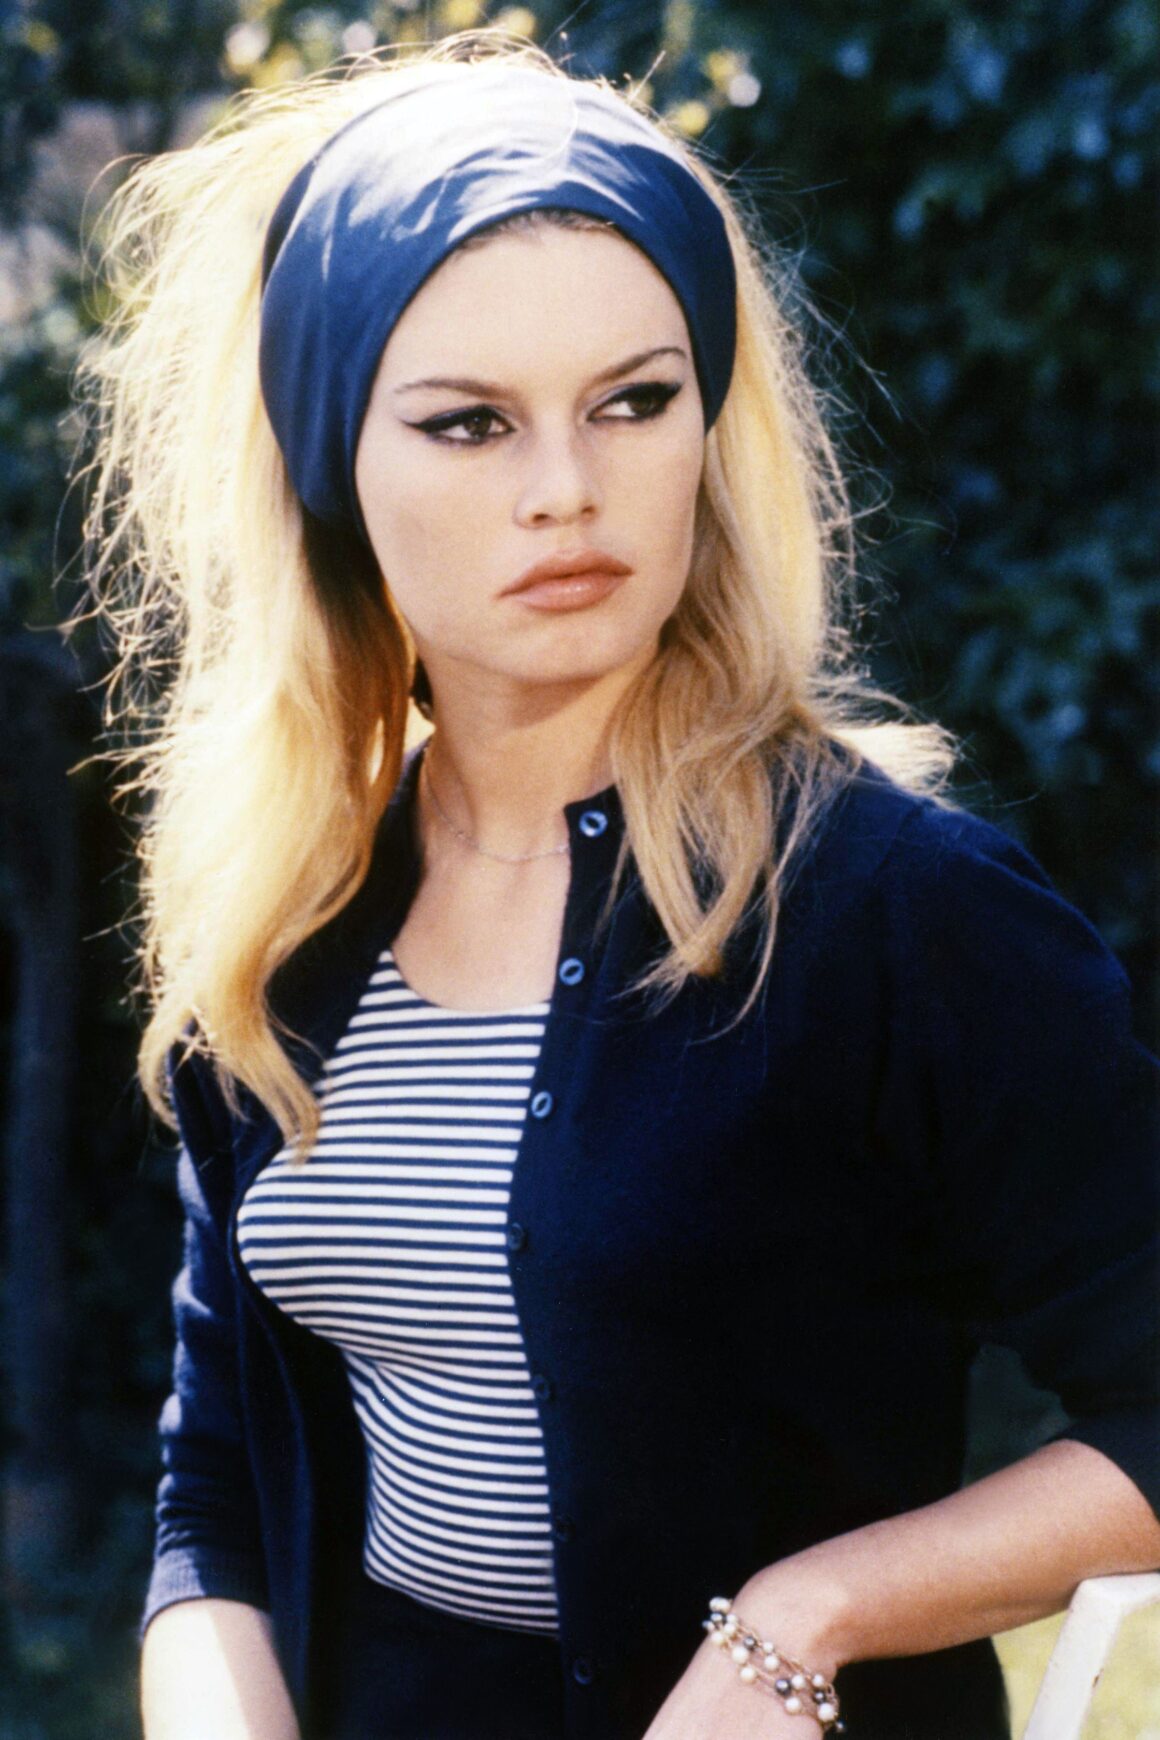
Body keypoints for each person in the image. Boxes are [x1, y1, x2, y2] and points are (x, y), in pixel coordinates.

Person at [74, 32, 1159, 1740]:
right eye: (468, 424)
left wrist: (806, 1618)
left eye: (634, 402)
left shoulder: (894, 911)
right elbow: (218, 1470)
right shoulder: (285, 909)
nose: (567, 492)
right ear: (330, 464)